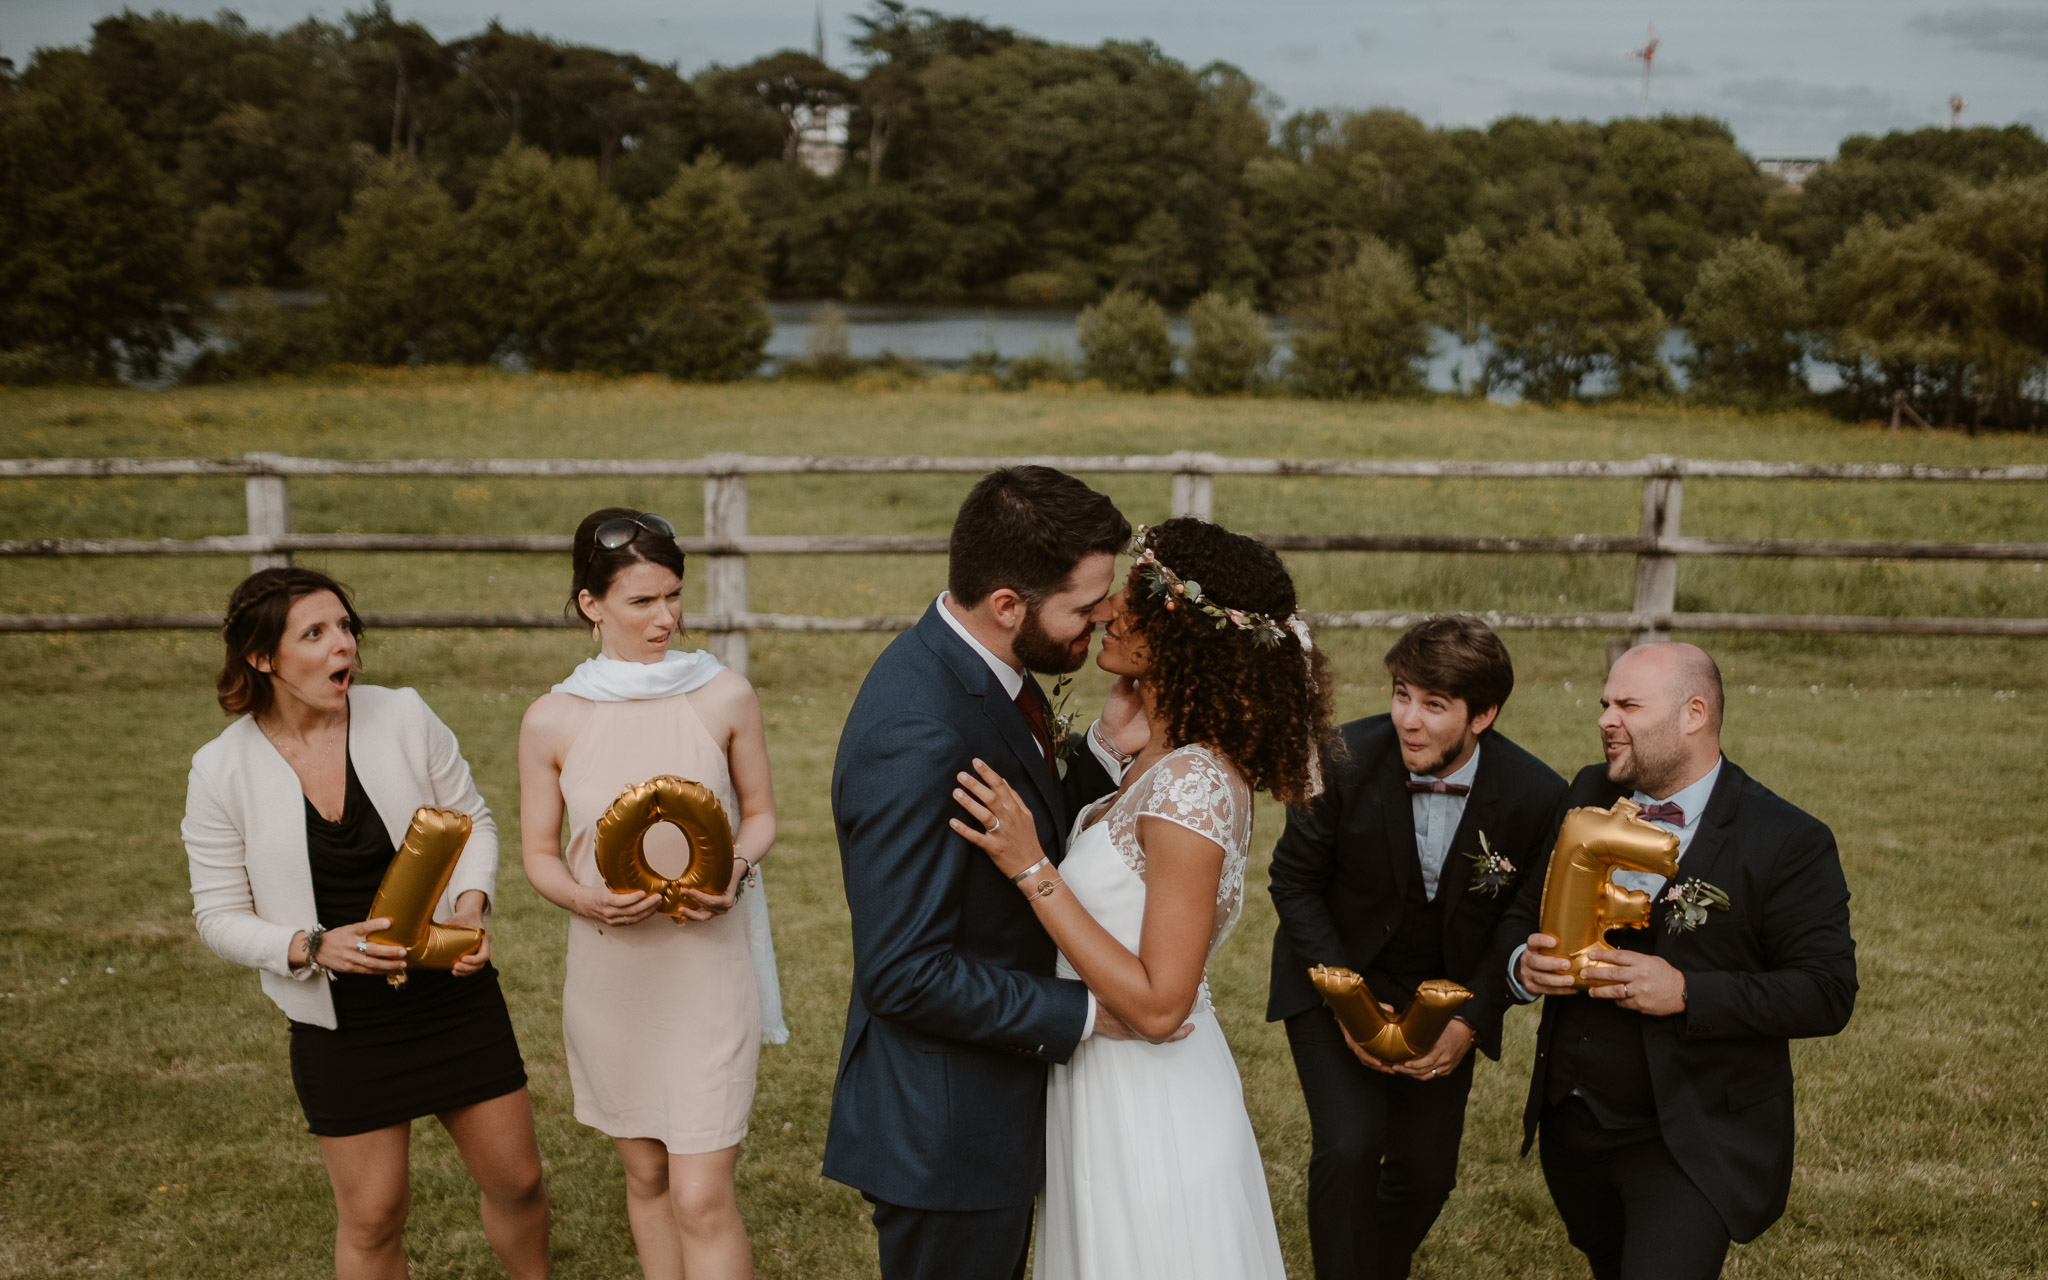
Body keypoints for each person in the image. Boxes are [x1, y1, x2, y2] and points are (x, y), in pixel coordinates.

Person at [951, 516, 1335, 1280]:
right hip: (1099, 1084)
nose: (1111, 610)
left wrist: (1034, 869)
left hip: (1149, 1105)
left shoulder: (1192, 786)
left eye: (1140, 594)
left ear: (1186, 636)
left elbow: (1162, 1007)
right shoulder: (1159, 759)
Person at [822, 466, 1145, 1280]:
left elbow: (1015, 826)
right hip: (947, 1131)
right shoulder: (917, 731)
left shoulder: (980, 669)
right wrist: (1086, 1013)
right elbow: (903, 973)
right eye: (1085, 608)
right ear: (1007, 605)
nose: (1104, 622)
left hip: (986, 1109)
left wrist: (1102, 750)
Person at [181, 567, 547, 1280]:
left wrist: (468, 909)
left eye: (345, 628)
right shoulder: (220, 770)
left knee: (519, 1181)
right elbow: (217, 915)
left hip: (450, 996)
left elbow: (471, 822)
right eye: (314, 634)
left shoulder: (404, 714)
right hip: (340, 1022)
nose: (341, 645)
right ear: (263, 658)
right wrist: (312, 946)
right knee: (374, 1214)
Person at [1496, 642, 1858, 1280]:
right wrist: (1523, 963)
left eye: (1628, 705)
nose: (1607, 718)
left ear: (1694, 714)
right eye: (1605, 703)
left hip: (1691, 1139)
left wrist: (1688, 990)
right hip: (1574, 1125)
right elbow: (1525, 909)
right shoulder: (1587, 792)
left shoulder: (1786, 840)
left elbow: (1826, 991)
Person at [518, 508, 780, 1280]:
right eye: (642, 601)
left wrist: (734, 867)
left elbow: (760, 815)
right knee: (647, 1177)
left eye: (673, 595)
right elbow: (538, 855)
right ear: (590, 605)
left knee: (700, 1196)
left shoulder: (725, 696)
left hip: (705, 968)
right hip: (611, 979)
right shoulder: (552, 720)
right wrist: (582, 899)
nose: (666, 617)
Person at [1267, 615, 1567, 1280]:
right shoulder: (1337, 756)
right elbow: (1293, 884)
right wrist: (1350, 1004)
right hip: (1333, 975)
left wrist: (1468, 1022)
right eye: (1403, 694)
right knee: (1349, 1147)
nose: (1409, 718)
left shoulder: (1536, 795)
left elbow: (1520, 917)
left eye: (1435, 705)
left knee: (1426, 1174)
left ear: (1482, 714)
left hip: (1445, 995)